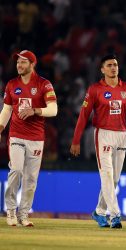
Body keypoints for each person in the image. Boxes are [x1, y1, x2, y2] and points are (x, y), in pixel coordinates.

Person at [70, 54, 126, 229]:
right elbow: (83, 116)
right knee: (106, 176)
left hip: (122, 135)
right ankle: (115, 215)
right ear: (102, 69)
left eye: (115, 64)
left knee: (113, 180)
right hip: (103, 134)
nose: (113, 67)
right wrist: (76, 140)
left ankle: (99, 211)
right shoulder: (94, 89)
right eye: (109, 65)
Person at [0, 50, 58, 227]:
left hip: (36, 138)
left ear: (33, 64)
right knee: (16, 170)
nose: (19, 65)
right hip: (16, 135)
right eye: (18, 62)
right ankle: (10, 211)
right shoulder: (11, 84)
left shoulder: (44, 84)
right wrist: (0, 128)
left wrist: (35, 110)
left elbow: (54, 110)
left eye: (24, 62)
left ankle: (23, 214)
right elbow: (7, 109)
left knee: (31, 178)